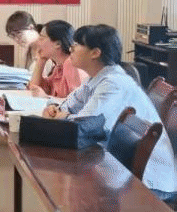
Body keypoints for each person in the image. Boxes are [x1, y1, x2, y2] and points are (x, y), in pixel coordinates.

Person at [42, 24, 176, 196]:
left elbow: (83, 128)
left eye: (77, 44)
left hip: (151, 182)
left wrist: (62, 116)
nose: (71, 48)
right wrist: (54, 109)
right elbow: (67, 107)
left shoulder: (113, 83)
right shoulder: (95, 78)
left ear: (95, 53)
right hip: (120, 168)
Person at [27, 20, 89, 99]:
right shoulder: (58, 67)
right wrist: (41, 60)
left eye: (41, 38)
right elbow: (34, 89)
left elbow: (79, 101)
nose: (37, 42)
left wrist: (47, 98)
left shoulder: (71, 63)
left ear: (58, 44)